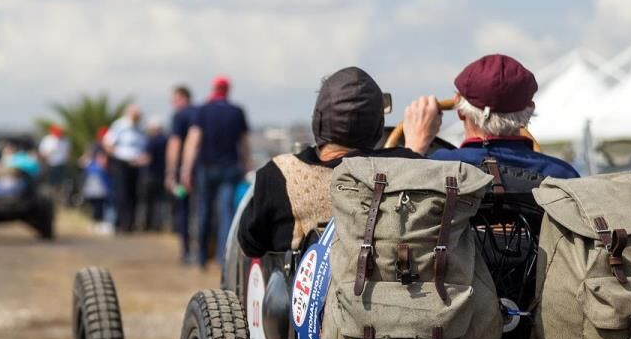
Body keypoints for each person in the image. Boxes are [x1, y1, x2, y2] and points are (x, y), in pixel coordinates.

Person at [237, 66, 435, 257]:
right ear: (377, 125)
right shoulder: (406, 166)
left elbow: (250, 243)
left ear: (318, 119)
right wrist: (417, 149)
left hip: (298, 289)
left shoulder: (279, 174)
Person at [403, 54, 579, 179]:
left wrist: (414, 147)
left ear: (460, 110)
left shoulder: (433, 169)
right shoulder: (562, 175)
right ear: (529, 110)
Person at [180, 76, 250, 267]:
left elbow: (193, 141)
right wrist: (246, 166)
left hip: (206, 168)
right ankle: (223, 258)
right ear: (228, 90)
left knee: (204, 212)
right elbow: (243, 144)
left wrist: (186, 169)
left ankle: (202, 257)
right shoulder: (237, 111)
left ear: (213, 89)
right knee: (227, 213)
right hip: (230, 168)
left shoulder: (203, 111)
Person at [102, 105, 149, 233]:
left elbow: (144, 146)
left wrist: (142, 158)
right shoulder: (119, 125)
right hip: (121, 163)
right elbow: (107, 143)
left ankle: (130, 223)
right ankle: (121, 223)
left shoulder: (141, 127)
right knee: (122, 193)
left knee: (134, 194)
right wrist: (118, 155)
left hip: (136, 164)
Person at [164, 85, 197, 263]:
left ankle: (185, 250)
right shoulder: (199, 113)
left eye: (174, 99)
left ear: (182, 98)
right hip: (201, 169)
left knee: (183, 210)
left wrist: (170, 172)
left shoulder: (179, 116)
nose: (172, 103)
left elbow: (175, 144)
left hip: (183, 170)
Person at [142, 119, 168, 232]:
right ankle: (158, 224)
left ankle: (149, 225)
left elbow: (147, 158)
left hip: (151, 174)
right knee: (160, 201)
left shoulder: (151, 141)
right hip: (163, 174)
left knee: (149, 201)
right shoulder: (166, 140)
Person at [39, 125, 71, 192]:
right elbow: (42, 153)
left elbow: (67, 152)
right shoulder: (47, 140)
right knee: (51, 182)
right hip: (50, 164)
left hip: (62, 164)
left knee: (61, 182)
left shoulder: (66, 140)